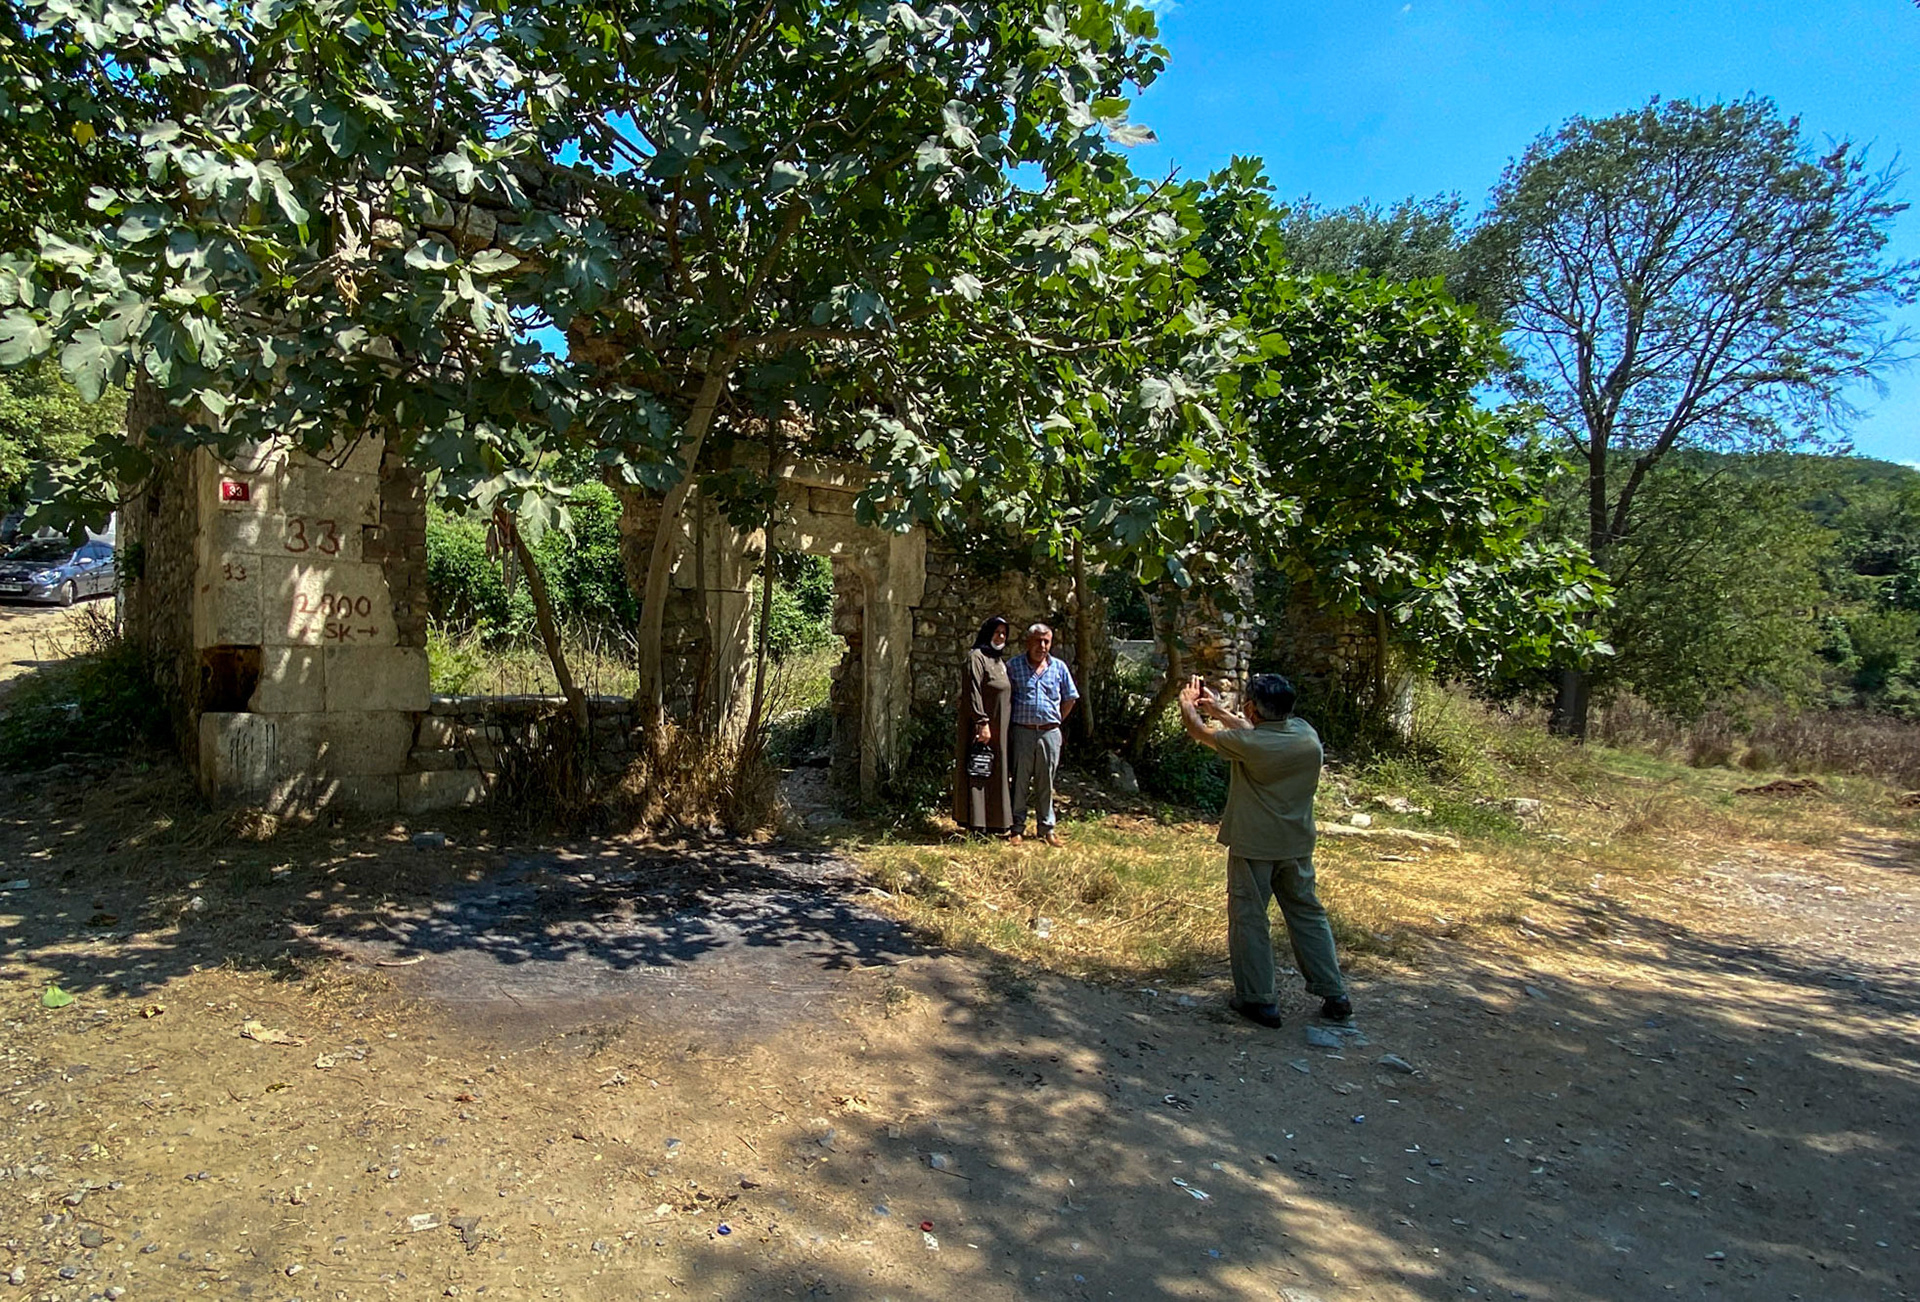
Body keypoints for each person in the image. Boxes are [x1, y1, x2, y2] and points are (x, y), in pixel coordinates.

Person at [1177, 673, 1352, 1028]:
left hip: (1255, 845)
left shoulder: (1252, 746)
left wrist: (1188, 707)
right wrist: (1218, 710)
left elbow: (1200, 733)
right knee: (1308, 915)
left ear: (1253, 708)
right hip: (1296, 844)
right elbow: (1252, 732)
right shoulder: (1305, 733)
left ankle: (1259, 999)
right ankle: (1334, 992)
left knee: (1250, 919)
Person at [1006, 622, 1079, 847]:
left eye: (1047, 641)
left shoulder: (1059, 667)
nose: (1042, 646)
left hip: (1049, 733)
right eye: (1038, 641)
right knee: (1019, 781)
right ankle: (1016, 828)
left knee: (1046, 782)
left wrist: (1055, 720)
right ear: (1028, 642)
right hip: (1022, 732)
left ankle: (1046, 829)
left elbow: (1071, 697)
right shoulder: (1013, 666)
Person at [953, 616, 1013, 836]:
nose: (1001, 636)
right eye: (997, 632)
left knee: (996, 771)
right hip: (983, 727)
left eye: (1004, 633)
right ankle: (976, 824)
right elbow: (973, 691)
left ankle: (996, 823)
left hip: (1001, 728)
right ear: (987, 633)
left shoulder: (999, 662)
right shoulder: (976, 658)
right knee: (979, 769)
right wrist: (982, 722)